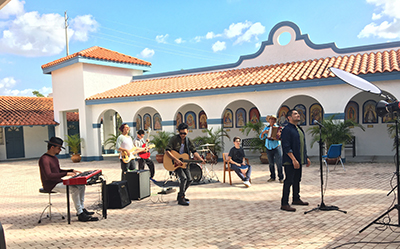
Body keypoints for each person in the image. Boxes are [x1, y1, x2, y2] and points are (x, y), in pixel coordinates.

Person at [38, 137, 98, 222]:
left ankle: (82, 208)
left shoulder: (54, 158)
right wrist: (65, 174)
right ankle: (80, 214)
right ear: (52, 147)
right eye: (59, 148)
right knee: (74, 189)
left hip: (58, 182)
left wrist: (70, 170)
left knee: (81, 185)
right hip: (51, 185)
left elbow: (58, 171)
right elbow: (49, 175)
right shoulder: (44, 159)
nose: (60, 150)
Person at [165, 123, 205, 206]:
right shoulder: (174, 139)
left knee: (189, 179)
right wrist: (176, 160)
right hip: (175, 163)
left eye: (184, 133)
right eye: (181, 133)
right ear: (178, 132)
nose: (183, 135)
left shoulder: (188, 141)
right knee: (183, 178)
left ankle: (180, 195)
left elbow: (194, 151)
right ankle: (182, 198)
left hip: (184, 164)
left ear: (187, 132)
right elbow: (167, 151)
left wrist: (201, 159)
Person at [280, 109, 311, 212]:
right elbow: (286, 146)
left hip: (299, 159)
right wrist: (293, 159)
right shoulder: (287, 129)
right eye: (295, 114)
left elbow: (302, 145)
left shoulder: (299, 129)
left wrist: (305, 157)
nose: (298, 115)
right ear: (289, 117)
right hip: (290, 161)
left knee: (297, 179)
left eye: (298, 114)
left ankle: (296, 198)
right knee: (289, 181)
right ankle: (284, 203)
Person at [260, 115, 284, 183]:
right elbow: (261, 137)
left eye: (274, 119)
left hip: (276, 146)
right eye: (271, 119)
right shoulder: (266, 128)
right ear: (269, 120)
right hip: (268, 147)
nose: (272, 121)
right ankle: (272, 177)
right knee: (271, 163)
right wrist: (264, 132)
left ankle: (281, 178)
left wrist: (278, 135)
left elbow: (281, 137)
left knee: (279, 163)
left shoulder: (278, 128)